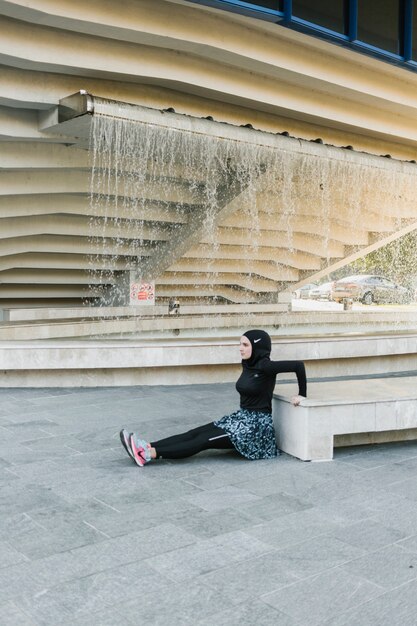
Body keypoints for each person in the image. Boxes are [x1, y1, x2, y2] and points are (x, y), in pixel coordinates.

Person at [119, 329, 307, 467]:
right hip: (241, 418)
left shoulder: (266, 366)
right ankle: (146, 445)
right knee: (196, 432)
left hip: (255, 430)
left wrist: (301, 395)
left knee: (204, 442)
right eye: (240, 344)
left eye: (245, 344)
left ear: (257, 346)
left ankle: (147, 454)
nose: (240, 348)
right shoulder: (248, 365)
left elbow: (298, 366)